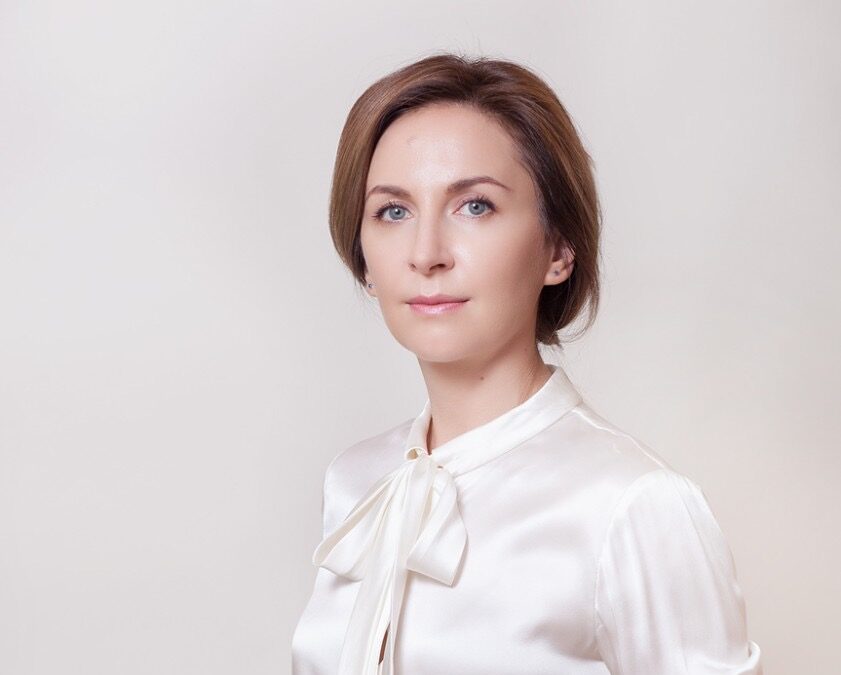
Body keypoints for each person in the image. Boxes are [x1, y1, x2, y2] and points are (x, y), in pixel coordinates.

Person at [291, 52, 762, 675]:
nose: (426, 253)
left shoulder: (633, 505)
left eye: (475, 206)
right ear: (364, 258)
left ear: (559, 249)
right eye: (393, 211)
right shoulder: (356, 481)